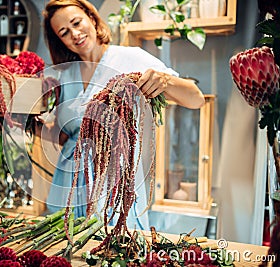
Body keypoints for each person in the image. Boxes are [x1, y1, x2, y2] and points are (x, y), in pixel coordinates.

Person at [40, 0, 205, 230]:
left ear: (91, 17)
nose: (75, 34)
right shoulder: (67, 75)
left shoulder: (130, 58)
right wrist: (26, 124)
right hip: (68, 185)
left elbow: (196, 98)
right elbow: (64, 136)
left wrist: (164, 80)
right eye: (64, 32)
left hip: (113, 185)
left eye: (77, 22)